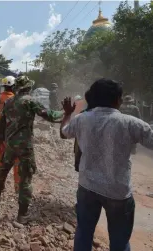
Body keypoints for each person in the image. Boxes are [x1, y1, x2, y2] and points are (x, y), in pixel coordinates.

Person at [60, 78, 153, 251]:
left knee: (83, 233)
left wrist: (67, 114)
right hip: (118, 192)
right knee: (120, 242)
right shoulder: (131, 123)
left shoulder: (81, 119)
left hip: (87, 187)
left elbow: (64, 133)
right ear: (117, 100)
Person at [0, 76, 64, 224]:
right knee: (26, 178)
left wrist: (0, 141)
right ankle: (22, 215)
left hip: (10, 144)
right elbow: (48, 115)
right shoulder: (30, 101)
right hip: (25, 146)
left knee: (2, 171)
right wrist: (64, 112)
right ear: (28, 88)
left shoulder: (9, 101)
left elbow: (3, 123)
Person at [0, 75, 21, 193]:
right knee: (17, 162)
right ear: (14, 86)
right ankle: (18, 187)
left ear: (4, 87)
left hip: (0, 137)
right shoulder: (18, 100)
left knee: (0, 161)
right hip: (16, 137)